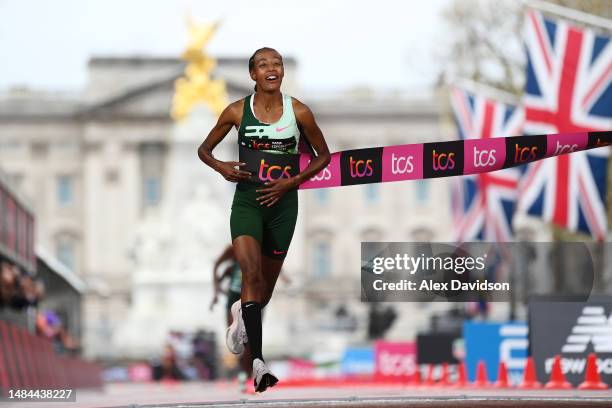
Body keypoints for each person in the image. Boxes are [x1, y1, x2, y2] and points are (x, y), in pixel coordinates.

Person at [198, 47, 331, 392]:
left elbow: (324, 156)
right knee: (251, 274)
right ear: (253, 74)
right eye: (263, 65)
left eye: (277, 64)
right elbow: (204, 149)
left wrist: (291, 181)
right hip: (247, 203)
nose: (272, 69)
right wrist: (223, 167)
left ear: (282, 72)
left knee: (263, 291)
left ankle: (242, 314)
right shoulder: (235, 112)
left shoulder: (298, 111)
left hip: (283, 208)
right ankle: (258, 362)